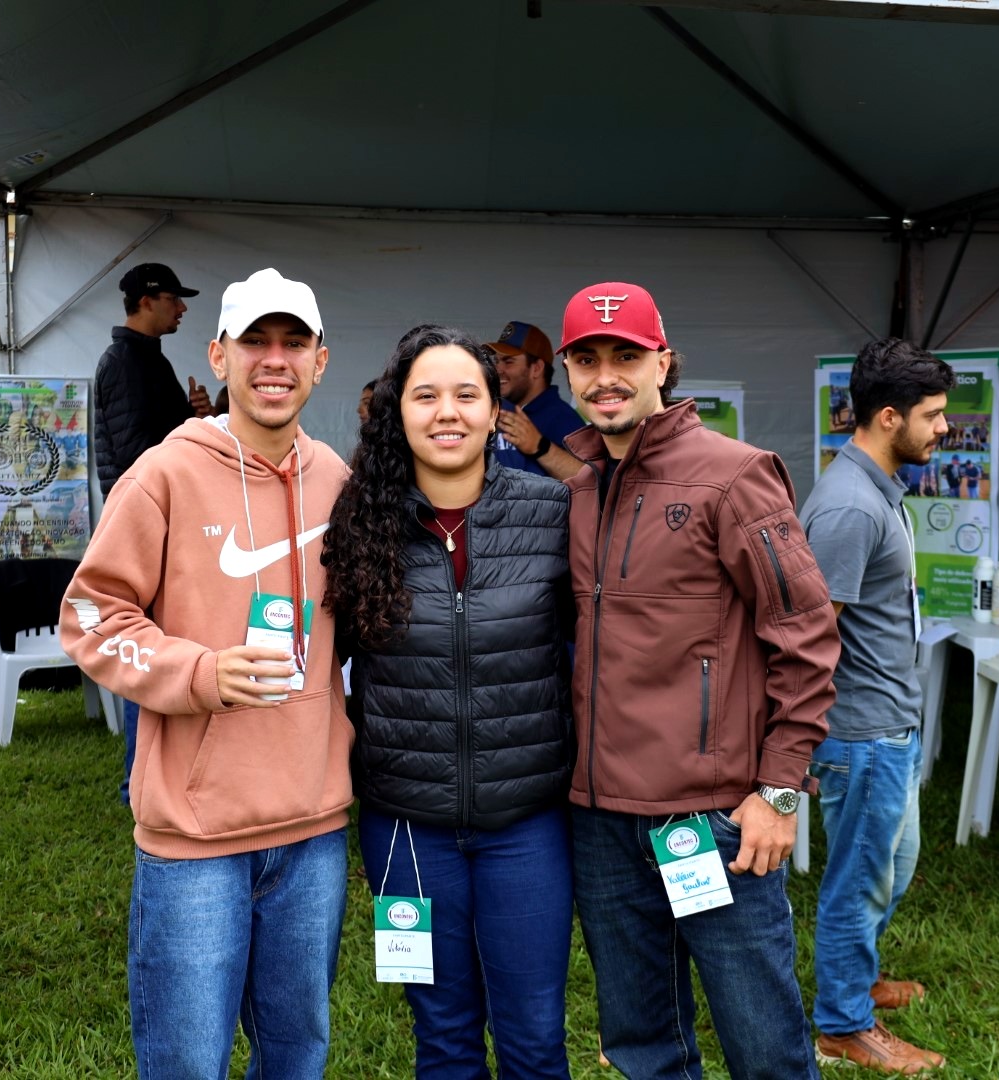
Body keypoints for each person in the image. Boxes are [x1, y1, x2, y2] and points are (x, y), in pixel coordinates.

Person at [59, 269, 352, 1078]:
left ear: (320, 362)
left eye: (293, 342)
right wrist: (197, 672)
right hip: (194, 841)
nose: (274, 359)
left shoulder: (339, 481)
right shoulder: (164, 473)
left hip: (313, 831)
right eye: (254, 341)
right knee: (188, 1062)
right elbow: (89, 616)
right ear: (219, 356)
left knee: (297, 1056)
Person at [558, 281, 840, 1080]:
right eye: (587, 359)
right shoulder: (579, 490)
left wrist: (779, 791)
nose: (606, 376)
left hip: (712, 817)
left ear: (663, 363)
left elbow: (807, 635)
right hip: (603, 821)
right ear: (568, 374)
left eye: (625, 355)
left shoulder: (734, 476)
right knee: (643, 1043)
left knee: (763, 1044)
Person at [323, 324, 575, 1079]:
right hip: (406, 829)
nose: (447, 412)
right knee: (443, 1039)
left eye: (467, 394)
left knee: (534, 1039)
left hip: (526, 824)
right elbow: (320, 661)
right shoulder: (359, 519)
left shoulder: (552, 513)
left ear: (496, 409)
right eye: (425, 395)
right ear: (396, 410)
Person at [800, 339, 950, 1075]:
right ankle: (842, 1025)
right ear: (889, 417)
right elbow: (807, 636)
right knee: (858, 882)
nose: (944, 428)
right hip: (861, 731)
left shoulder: (875, 489)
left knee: (894, 863)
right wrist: (798, 741)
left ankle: (853, 977)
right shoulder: (850, 508)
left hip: (889, 722)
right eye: (933, 415)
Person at [93, 261, 212, 807]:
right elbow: (138, 457)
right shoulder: (125, 363)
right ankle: (136, 783)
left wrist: (199, 417)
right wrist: (191, 428)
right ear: (146, 300)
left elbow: (158, 441)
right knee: (146, 654)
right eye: (173, 299)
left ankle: (151, 776)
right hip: (149, 531)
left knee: (160, 649)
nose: (182, 308)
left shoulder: (146, 359)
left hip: (159, 527)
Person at [485, 320, 587, 480]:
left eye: (508, 361)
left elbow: (591, 482)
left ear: (536, 369)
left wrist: (539, 446)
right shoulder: (496, 411)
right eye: (496, 361)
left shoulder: (562, 418)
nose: (498, 370)